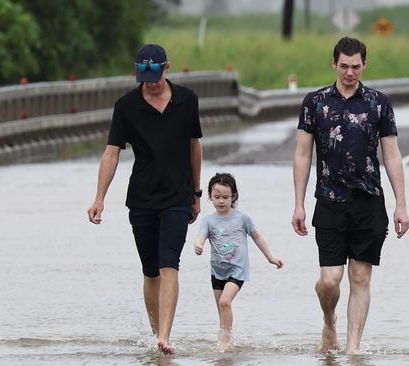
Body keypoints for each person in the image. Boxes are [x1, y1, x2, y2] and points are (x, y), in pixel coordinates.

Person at [291, 36, 409, 354]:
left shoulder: (378, 103)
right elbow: (303, 154)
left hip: (369, 201)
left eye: (356, 66)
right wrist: (298, 203)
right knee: (330, 280)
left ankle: (353, 350)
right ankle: (329, 322)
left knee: (360, 276)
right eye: (344, 66)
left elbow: (392, 155)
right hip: (329, 200)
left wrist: (401, 204)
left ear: (364, 65)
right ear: (334, 64)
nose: (349, 72)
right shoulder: (315, 103)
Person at [87, 43, 203, 355]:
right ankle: (156, 334)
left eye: (154, 75)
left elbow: (195, 145)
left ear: (167, 68)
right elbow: (112, 153)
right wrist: (99, 198)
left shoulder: (187, 101)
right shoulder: (125, 106)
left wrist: (196, 192)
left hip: (178, 195)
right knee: (150, 269)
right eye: (144, 76)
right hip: (141, 198)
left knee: (170, 263)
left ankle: (165, 335)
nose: (149, 82)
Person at [194, 172, 283, 351]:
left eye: (225, 197)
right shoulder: (208, 221)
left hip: (237, 270)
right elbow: (201, 236)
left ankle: (226, 342)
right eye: (216, 196)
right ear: (210, 196)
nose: (221, 201)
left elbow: (257, 237)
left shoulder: (242, 218)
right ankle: (225, 341)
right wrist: (198, 244)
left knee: (224, 302)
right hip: (217, 271)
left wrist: (270, 257)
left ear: (233, 196)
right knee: (222, 309)